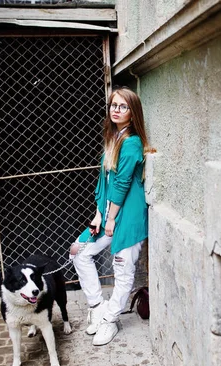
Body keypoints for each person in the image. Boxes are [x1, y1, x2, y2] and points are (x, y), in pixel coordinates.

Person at [71, 87, 151, 346]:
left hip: (127, 215)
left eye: (122, 106)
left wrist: (112, 219)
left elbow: (122, 185)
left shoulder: (132, 143)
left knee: (122, 267)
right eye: (113, 105)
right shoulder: (113, 137)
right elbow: (104, 181)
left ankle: (111, 319)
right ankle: (96, 306)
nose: (116, 110)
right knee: (78, 252)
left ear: (132, 112)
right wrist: (98, 215)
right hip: (108, 213)